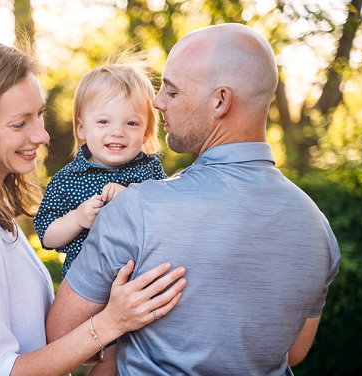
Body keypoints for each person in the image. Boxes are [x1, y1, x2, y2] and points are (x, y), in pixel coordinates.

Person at [46, 23, 341, 375]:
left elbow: (60, 336)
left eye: (171, 92)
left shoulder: (137, 208)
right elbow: (294, 351)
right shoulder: (317, 227)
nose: (157, 103)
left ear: (220, 101)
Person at [0, 39, 187, 375]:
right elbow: (2, 371)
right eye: (19, 123)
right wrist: (110, 323)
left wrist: (92, 334)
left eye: (38, 114)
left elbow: (29, 340)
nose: (42, 135)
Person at [34, 62, 166, 277]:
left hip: (140, 281)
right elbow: (46, 235)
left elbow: (166, 218)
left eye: (131, 123)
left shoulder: (150, 170)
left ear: (146, 131)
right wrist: (76, 219)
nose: (117, 132)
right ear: (82, 128)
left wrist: (133, 199)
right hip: (86, 288)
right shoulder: (67, 180)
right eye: (103, 121)